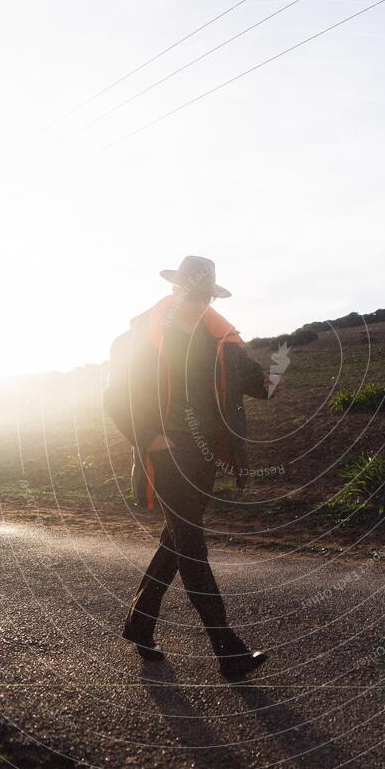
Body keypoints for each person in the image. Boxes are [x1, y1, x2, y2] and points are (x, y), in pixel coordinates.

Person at [105, 256, 277, 679]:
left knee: (177, 542)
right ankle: (227, 649)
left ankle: (138, 623)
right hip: (167, 455)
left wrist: (278, 371)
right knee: (193, 549)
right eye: (192, 293)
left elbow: (258, 387)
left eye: (205, 295)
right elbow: (115, 397)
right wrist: (150, 438)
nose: (198, 302)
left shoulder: (218, 339)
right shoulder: (143, 338)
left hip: (207, 456)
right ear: (176, 290)